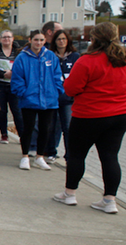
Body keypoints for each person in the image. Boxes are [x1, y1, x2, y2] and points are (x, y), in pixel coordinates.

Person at [53, 22, 126, 214]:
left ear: (94, 39)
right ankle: (110, 199)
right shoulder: (123, 60)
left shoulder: (87, 60)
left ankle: (70, 193)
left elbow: (70, 88)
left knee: (77, 155)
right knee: (110, 157)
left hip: (89, 114)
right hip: (119, 114)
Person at [11, 30, 63, 171]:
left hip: (49, 99)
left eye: (41, 40)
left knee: (45, 129)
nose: (38, 43)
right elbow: (17, 78)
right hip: (29, 99)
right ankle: (25, 156)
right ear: (30, 40)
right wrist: (24, 92)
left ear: (45, 40)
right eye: (36, 40)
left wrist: (57, 90)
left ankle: (40, 157)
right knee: (28, 128)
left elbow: (58, 75)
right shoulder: (22, 58)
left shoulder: (51, 56)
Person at [43, 30, 80, 161]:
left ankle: (70, 155)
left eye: (64, 39)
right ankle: (50, 152)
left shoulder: (75, 57)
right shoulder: (49, 56)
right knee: (50, 126)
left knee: (68, 127)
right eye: (59, 39)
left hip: (68, 99)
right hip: (52, 97)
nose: (61, 41)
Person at [0, 30, 21, 144]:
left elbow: (22, 66)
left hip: (14, 84)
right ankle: (4, 134)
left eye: (9, 37)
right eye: (4, 37)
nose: (6, 39)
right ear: (0, 39)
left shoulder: (18, 52)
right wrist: (2, 74)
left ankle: (21, 134)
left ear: (12, 39)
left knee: (16, 110)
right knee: (1, 111)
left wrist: (12, 73)